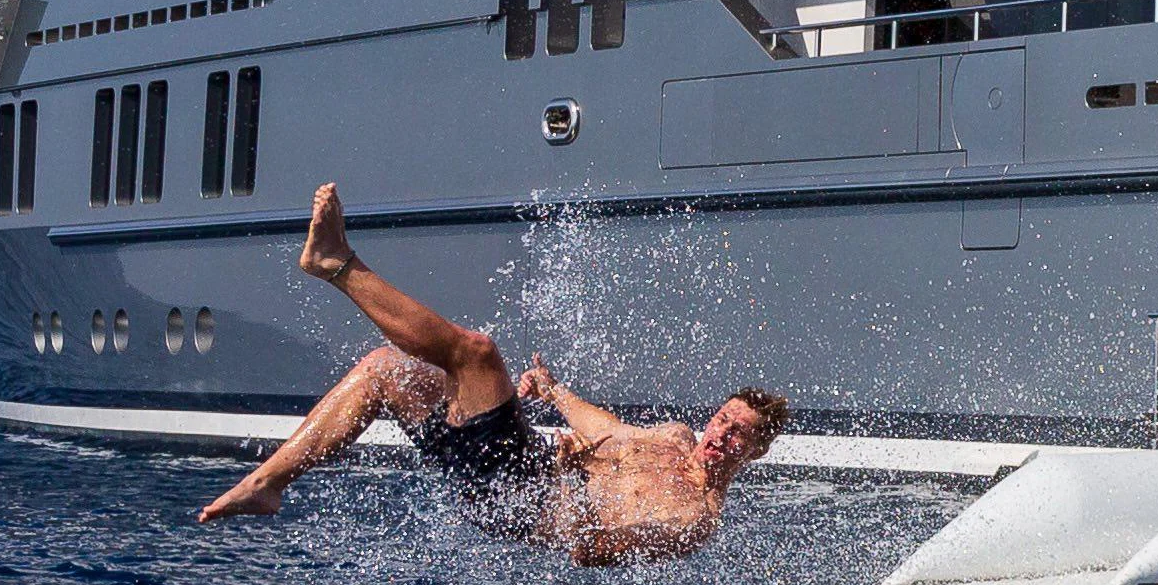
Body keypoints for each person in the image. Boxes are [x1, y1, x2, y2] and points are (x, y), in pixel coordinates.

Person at [194, 184, 786, 559]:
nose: (721, 434)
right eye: (723, 419)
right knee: (385, 372)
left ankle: (336, 264)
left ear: (755, 452)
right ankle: (268, 484)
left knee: (476, 353)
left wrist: (581, 502)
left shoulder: (695, 517)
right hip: (522, 470)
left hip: (527, 500)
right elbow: (608, 429)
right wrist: (554, 391)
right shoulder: (674, 437)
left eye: (739, 434)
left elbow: (593, 551)